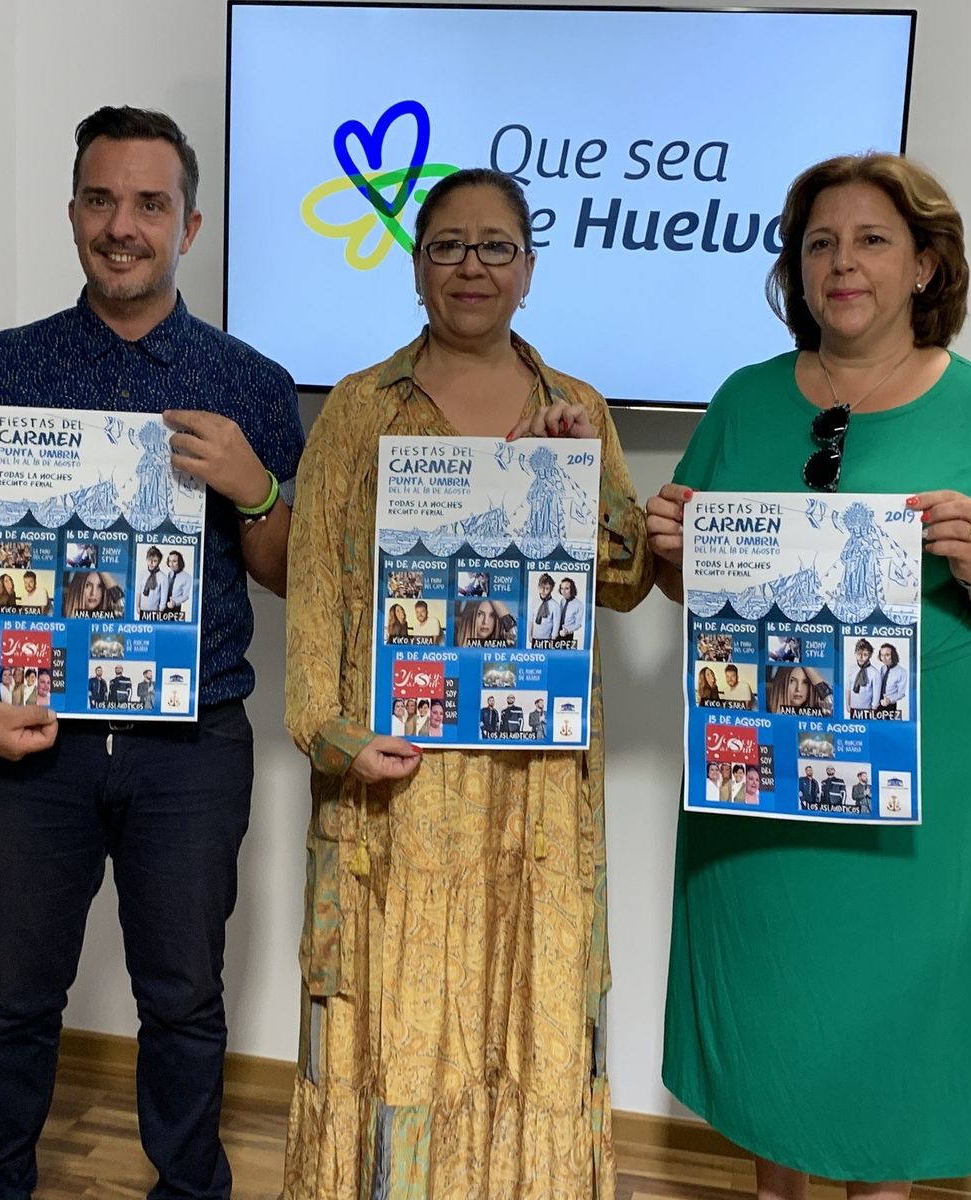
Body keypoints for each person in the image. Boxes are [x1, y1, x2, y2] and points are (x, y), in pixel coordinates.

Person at [644, 152, 971, 1198]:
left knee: (894, 1018)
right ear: (794, 268)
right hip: (758, 777)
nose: (841, 263)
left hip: (916, 791)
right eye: (819, 243)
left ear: (926, 266)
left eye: (871, 240)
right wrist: (669, 548)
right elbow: (687, 593)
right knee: (772, 1001)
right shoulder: (744, 400)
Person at [0, 105, 305, 1200]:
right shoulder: (0, 366)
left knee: (183, 999)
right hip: (31, 742)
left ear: (189, 225)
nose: (120, 225)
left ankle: (189, 1189)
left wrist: (255, 486)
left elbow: (283, 569)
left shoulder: (252, 383)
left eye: (148, 203)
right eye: (99, 199)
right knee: (15, 999)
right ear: (74, 210)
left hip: (191, 747)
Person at [282, 167, 655, 1196]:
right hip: (397, 789)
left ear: (528, 270)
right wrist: (329, 734)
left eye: (495, 247)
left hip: (535, 791)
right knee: (397, 1029)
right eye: (447, 246)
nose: (471, 268)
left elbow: (625, 581)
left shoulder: (574, 408)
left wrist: (580, 484)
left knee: (527, 1021)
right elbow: (312, 595)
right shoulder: (360, 411)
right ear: (416, 268)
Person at [766, 665, 832, 716]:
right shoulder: (765, 711)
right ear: (781, 683)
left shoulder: (818, 714)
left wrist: (806, 664)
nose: (798, 689)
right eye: (791, 681)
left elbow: (834, 707)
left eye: (805, 682)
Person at [876, 642, 908, 713]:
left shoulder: (902, 672)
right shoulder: (883, 668)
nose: (884, 658)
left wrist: (889, 700)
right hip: (878, 703)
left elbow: (901, 693)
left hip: (890, 705)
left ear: (893, 655)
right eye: (882, 655)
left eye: (887, 655)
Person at [529, 572, 561, 643]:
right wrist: (530, 635)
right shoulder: (534, 602)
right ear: (538, 587)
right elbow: (531, 620)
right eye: (541, 587)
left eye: (547, 588)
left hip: (547, 639)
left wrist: (553, 638)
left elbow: (556, 624)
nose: (543, 591)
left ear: (551, 589)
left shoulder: (555, 605)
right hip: (535, 638)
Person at [848, 637, 877, 711]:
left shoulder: (874, 673)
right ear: (855, 653)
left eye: (865, 655)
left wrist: (873, 709)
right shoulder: (851, 669)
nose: (861, 657)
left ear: (870, 655)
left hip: (867, 709)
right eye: (859, 654)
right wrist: (848, 705)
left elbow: (876, 694)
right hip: (853, 708)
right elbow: (848, 688)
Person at [137, 546, 166, 614]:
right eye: (150, 559)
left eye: (155, 561)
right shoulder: (142, 574)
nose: (151, 563)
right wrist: (137, 606)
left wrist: (160, 611)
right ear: (146, 559)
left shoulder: (163, 577)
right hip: (142, 610)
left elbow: (163, 596)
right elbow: (138, 592)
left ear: (159, 561)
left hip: (155, 611)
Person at [557, 575, 585, 644]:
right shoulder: (562, 600)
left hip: (567, 635)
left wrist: (567, 631)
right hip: (557, 632)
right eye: (562, 588)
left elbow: (578, 624)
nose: (563, 591)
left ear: (572, 589)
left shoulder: (579, 604)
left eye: (566, 588)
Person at [163, 548, 191, 614]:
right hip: (165, 605)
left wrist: (175, 603)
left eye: (174, 561)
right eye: (170, 561)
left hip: (175, 608)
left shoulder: (187, 577)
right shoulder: (170, 573)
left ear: (180, 562)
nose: (171, 564)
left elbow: (185, 596)